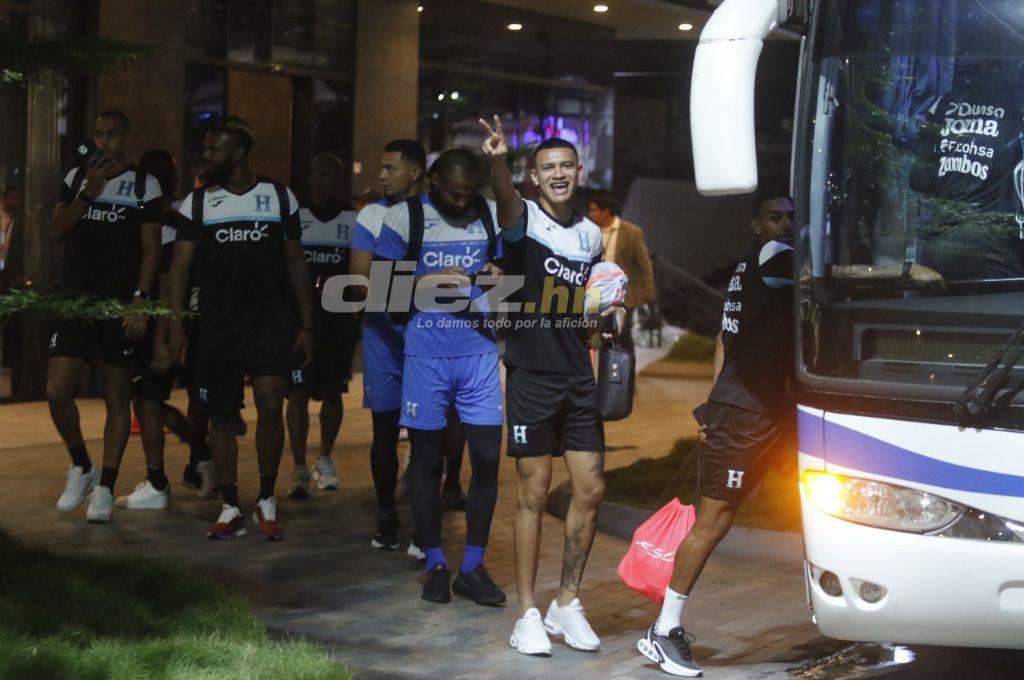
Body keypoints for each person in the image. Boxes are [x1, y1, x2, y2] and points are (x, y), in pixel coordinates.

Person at [635, 192, 797, 678]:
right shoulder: (777, 257)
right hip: (746, 415)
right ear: (756, 225)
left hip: (760, 411)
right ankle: (663, 631)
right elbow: (831, 278)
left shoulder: (746, 268)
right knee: (712, 523)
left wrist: (711, 406)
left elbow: (726, 339)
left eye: (792, 217)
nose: (787, 224)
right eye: (776, 217)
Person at [479, 117, 608, 656]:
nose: (558, 174)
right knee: (533, 492)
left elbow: (590, 308)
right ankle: (526, 610)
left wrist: (606, 314)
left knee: (591, 490)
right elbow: (505, 200)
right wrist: (497, 160)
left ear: (579, 172)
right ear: (533, 176)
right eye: (547, 167)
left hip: (579, 376)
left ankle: (566, 602)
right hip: (531, 374)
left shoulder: (591, 235)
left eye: (566, 166)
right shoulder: (522, 217)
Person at [166, 116, 314, 540]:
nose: (206, 155)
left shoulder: (277, 196)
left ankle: (266, 498)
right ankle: (231, 505)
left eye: (214, 149)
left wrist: (306, 325)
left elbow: (295, 262)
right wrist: (176, 326)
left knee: (271, 406)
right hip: (217, 324)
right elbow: (179, 270)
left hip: (270, 320)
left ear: (239, 153)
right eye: (206, 148)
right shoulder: (196, 203)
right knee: (222, 417)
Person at [374, 149, 505, 605]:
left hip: (479, 354)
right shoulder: (404, 219)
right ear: (431, 181)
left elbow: (509, 276)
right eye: (454, 194)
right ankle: (434, 561)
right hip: (426, 355)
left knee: (487, 458)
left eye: (469, 194)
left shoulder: (488, 215)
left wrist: (494, 275)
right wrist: (427, 280)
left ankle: (472, 566)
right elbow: (379, 291)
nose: (462, 202)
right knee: (427, 462)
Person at [46, 110, 163, 523]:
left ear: (126, 138)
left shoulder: (146, 185)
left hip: (120, 303)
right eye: (98, 134)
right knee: (57, 390)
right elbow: (56, 229)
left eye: (112, 135)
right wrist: (87, 194)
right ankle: (81, 464)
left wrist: (140, 301)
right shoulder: (78, 176)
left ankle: (106, 486)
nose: (104, 142)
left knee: (117, 394)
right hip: (77, 299)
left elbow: (152, 248)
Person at [350, 139, 426, 553]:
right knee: (384, 429)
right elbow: (360, 284)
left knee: (427, 433)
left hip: (427, 335)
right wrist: (422, 285)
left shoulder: (436, 214)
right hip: (382, 336)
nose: (380, 176)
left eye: (389, 168)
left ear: (414, 172)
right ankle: (386, 513)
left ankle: (425, 521)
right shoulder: (373, 215)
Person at [286, 153, 359, 499]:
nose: (328, 181)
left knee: (333, 392)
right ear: (311, 178)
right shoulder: (295, 217)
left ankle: (325, 458)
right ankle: (299, 466)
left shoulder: (354, 219)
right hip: (301, 322)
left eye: (334, 176)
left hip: (338, 323)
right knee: (297, 393)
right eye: (322, 175)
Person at [587, 191, 656, 351]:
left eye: (594, 210)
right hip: (596, 292)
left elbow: (644, 264)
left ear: (606, 211)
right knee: (601, 336)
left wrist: (648, 293)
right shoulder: (590, 231)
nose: (590, 214)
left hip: (624, 294)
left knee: (623, 337)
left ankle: (627, 374)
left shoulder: (632, 232)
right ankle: (606, 373)